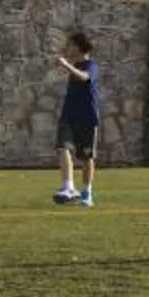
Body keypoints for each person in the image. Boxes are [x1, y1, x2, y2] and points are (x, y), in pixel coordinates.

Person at [52, 28, 100, 206]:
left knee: (87, 157)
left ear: (80, 47)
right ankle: (68, 186)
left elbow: (84, 78)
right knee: (62, 146)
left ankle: (87, 192)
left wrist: (66, 65)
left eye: (71, 45)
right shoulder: (76, 65)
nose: (68, 48)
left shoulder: (91, 66)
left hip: (87, 117)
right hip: (69, 115)